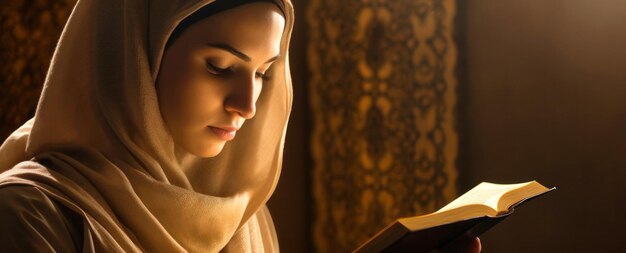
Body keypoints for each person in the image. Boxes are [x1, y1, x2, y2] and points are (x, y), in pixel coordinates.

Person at [0, 0, 480, 252]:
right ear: (134, 57)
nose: (248, 104)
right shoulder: (27, 215)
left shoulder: (239, 218)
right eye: (219, 67)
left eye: (263, 74)